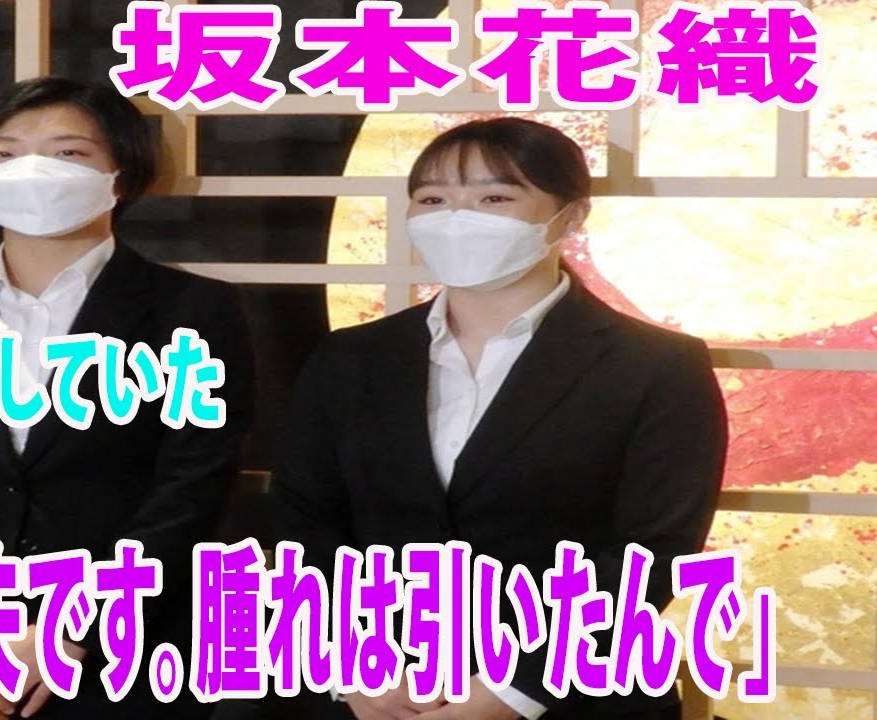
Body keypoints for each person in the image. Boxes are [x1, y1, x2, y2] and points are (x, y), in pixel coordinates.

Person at [270, 117, 727, 720]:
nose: (457, 219)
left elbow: (657, 549)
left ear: (570, 216)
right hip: (377, 695)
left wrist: (517, 689)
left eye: (494, 198)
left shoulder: (657, 365)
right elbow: (303, 520)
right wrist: (350, 662)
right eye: (433, 200)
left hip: (574, 695)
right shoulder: (350, 357)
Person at [0, 76, 255, 720]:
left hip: (116, 662)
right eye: (4, 153)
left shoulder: (195, 311)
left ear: (122, 174)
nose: (30, 169)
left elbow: (190, 492)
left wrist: (69, 633)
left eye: (68, 152)